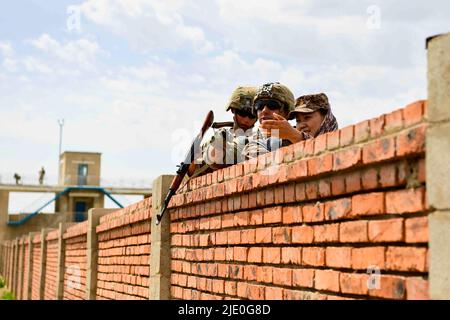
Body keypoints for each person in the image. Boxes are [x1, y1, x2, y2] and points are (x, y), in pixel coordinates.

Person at [188, 86, 258, 178]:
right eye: (243, 113)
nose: (246, 119)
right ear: (233, 110)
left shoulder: (258, 139)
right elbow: (191, 171)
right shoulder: (222, 135)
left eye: (251, 115)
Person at [242, 82, 296, 160]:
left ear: (287, 112)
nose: (264, 111)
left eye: (272, 105)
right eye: (259, 105)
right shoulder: (250, 142)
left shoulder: (302, 136)